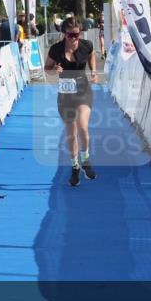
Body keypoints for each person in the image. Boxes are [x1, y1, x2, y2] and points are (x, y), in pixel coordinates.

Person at [45, 16, 98, 187]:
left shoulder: (86, 45)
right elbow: (47, 69)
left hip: (82, 89)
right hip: (65, 94)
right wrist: (55, 69)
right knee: (71, 132)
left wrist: (94, 71)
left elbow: (91, 56)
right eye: (71, 35)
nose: (74, 38)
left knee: (83, 125)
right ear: (64, 34)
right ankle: (75, 166)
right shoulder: (56, 49)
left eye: (77, 34)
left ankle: (86, 160)